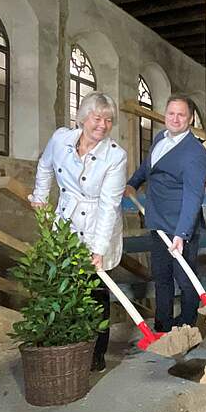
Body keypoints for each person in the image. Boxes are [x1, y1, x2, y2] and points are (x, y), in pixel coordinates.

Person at [29, 91, 127, 372]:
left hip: (98, 221)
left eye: (109, 120)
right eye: (97, 118)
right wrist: (40, 196)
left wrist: (99, 248)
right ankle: (68, 346)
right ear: (84, 118)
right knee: (65, 282)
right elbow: (45, 166)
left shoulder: (115, 156)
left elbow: (109, 205)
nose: (103, 125)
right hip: (67, 220)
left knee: (96, 289)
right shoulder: (61, 139)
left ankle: (96, 353)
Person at [125, 94, 206, 333]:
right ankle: (162, 326)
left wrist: (182, 233)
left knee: (184, 278)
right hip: (157, 220)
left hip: (180, 225)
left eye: (181, 114)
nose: (175, 118)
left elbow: (194, 196)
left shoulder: (195, 153)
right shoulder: (160, 138)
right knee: (161, 276)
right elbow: (147, 166)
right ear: (165, 115)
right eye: (171, 113)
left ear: (190, 118)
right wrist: (133, 183)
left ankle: (186, 326)